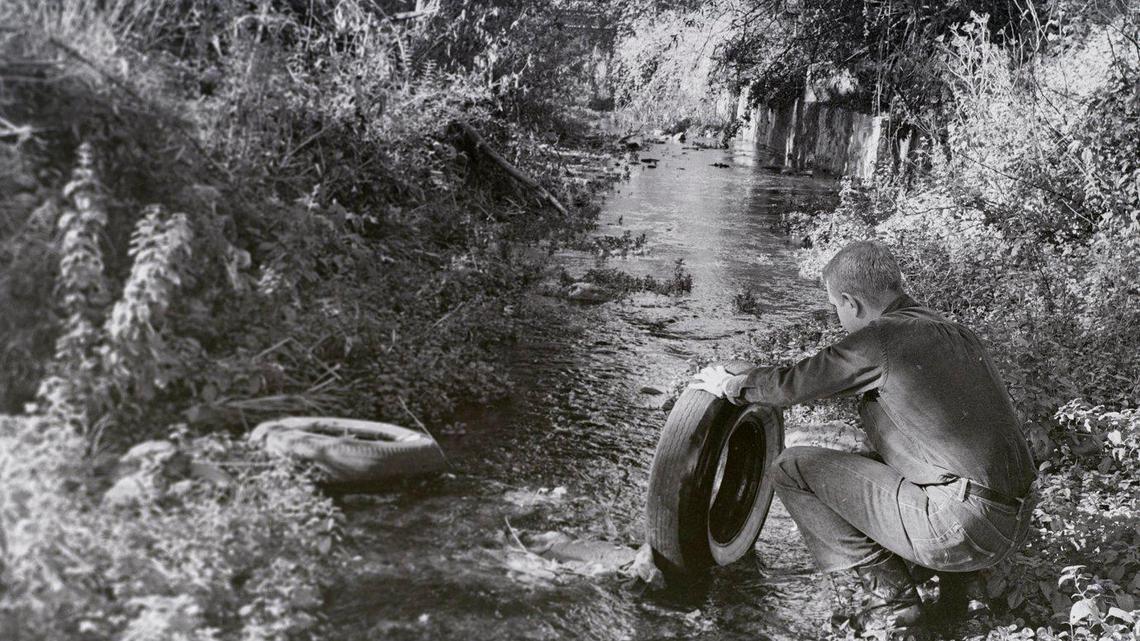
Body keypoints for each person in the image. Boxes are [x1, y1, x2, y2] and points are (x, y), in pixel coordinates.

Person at [692, 240, 1036, 637]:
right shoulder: (953, 332)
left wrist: (735, 384)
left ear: (851, 302)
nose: (839, 316)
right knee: (867, 456)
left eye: (835, 307)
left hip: (961, 527)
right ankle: (962, 596)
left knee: (791, 468)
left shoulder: (882, 338)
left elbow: (796, 383)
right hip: (1013, 522)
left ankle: (891, 610)